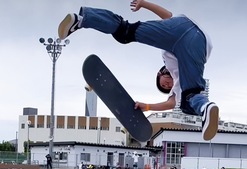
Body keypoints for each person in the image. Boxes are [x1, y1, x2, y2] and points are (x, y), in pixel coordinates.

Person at [58, 0, 219, 141]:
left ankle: (205, 108)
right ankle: (81, 19)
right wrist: (144, 3)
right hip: (184, 30)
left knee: (188, 96)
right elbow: (168, 16)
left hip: (194, 41)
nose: (169, 85)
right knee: (124, 32)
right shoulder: (171, 65)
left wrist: (147, 106)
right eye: (166, 86)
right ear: (159, 73)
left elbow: (171, 103)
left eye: (165, 87)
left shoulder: (179, 80)